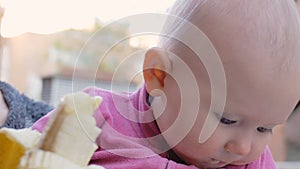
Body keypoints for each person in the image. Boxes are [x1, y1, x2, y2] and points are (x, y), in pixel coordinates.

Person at [3, 0, 300, 168]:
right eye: (227, 119)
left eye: (265, 129)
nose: (245, 147)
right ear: (159, 75)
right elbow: (29, 156)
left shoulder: (255, 162)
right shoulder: (97, 117)